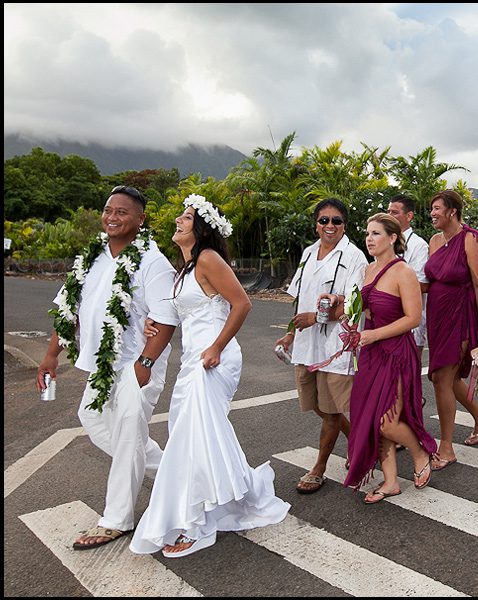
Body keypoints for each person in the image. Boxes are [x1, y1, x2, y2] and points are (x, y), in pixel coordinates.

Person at [131, 195, 290, 558]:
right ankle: (239, 491)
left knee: (193, 435)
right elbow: (181, 313)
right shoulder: (185, 268)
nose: (178, 220)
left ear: (201, 229)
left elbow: (242, 303)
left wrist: (217, 346)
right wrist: (152, 323)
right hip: (193, 359)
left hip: (214, 359)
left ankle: (197, 524)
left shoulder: (207, 258)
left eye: (186, 217)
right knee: (193, 433)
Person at [36, 185, 179, 550]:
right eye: (108, 210)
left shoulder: (152, 262)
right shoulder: (91, 258)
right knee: (93, 418)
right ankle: (175, 476)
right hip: (102, 364)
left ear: (140, 219)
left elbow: (165, 318)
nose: (112, 217)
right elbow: (68, 309)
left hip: (136, 362)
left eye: (122, 212)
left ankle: (116, 519)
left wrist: (145, 363)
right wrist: (52, 355)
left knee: (129, 432)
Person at [273, 199, 367, 493]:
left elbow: (354, 306)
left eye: (336, 221)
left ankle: (320, 468)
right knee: (316, 404)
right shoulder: (308, 252)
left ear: (345, 225)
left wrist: (316, 317)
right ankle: (359, 443)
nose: (329, 226)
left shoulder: (354, 258)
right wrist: (290, 332)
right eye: (324, 220)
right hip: (306, 344)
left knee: (330, 409)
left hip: (334, 347)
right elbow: (299, 298)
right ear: (316, 223)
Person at [342, 214, 437, 503]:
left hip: (395, 353)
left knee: (387, 420)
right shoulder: (368, 270)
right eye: (367, 233)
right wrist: (357, 319)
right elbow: (366, 308)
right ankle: (391, 481)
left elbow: (412, 319)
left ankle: (420, 452)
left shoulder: (403, 272)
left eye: (376, 233)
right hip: (371, 352)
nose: (369, 239)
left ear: (393, 238)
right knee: (372, 416)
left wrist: (374, 334)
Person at [423, 190, 478, 471]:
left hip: (459, 316)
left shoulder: (470, 238)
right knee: (447, 378)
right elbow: (431, 280)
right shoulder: (434, 240)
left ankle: (447, 448)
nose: (433, 214)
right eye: (431, 209)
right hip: (436, 318)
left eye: (437, 208)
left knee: (442, 378)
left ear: (452, 211)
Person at [387, 194, 429, 363]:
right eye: (388, 211)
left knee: (407, 376)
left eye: (395, 212)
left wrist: (388, 289)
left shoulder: (419, 246)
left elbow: (423, 285)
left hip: (409, 321)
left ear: (409, 216)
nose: (389, 216)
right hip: (385, 318)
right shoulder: (384, 241)